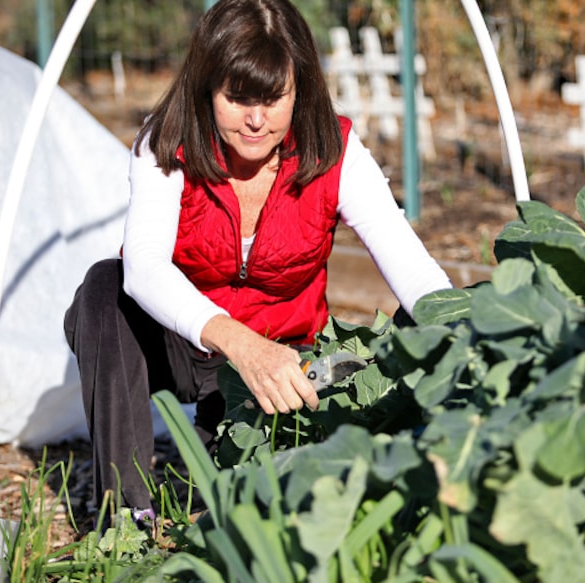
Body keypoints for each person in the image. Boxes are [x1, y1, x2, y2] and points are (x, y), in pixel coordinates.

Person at [64, 0, 452, 521]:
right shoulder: (166, 143)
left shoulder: (335, 152)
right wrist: (243, 346)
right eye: (237, 97)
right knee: (104, 289)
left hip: (290, 367)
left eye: (273, 99)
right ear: (206, 87)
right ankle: (124, 513)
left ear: (300, 89)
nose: (254, 120)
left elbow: (417, 273)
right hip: (190, 348)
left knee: (425, 321)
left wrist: (466, 328)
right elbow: (145, 267)